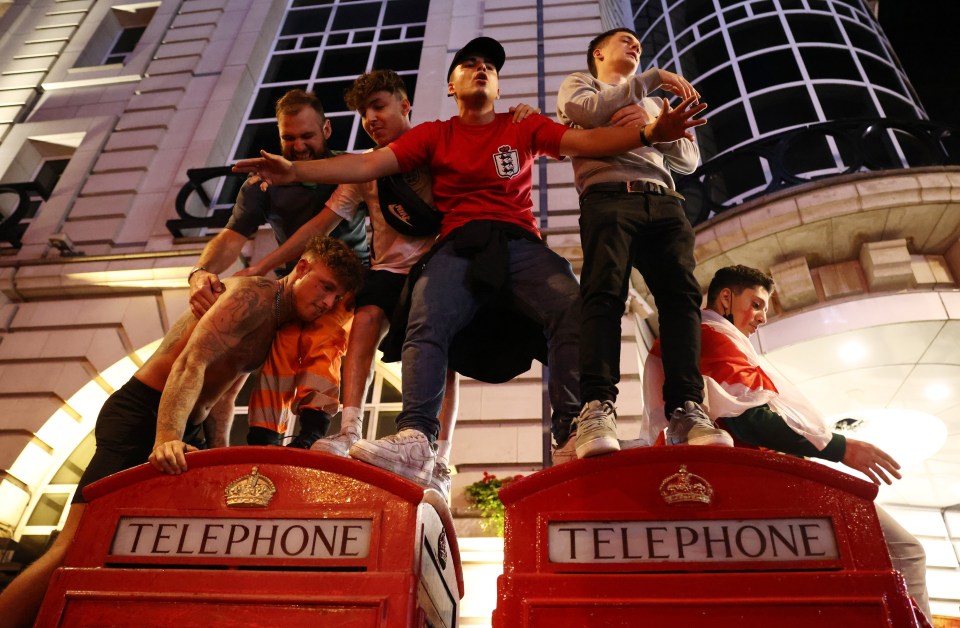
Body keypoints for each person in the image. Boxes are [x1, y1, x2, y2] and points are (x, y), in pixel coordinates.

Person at [234, 36, 707, 486]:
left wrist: (647, 132)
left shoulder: (521, 125)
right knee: (425, 316)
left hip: (519, 240)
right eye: (469, 65)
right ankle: (418, 437)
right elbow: (364, 165)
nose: (481, 69)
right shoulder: (435, 135)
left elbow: (586, 143)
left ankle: (569, 432)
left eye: (489, 68)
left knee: (571, 305)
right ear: (451, 86)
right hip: (458, 243)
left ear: (498, 87)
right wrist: (295, 170)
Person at [0, 236, 364, 628]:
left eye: (337, 295)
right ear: (303, 269)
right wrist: (165, 437)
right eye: (326, 287)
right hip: (144, 413)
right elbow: (191, 363)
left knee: (163, 553)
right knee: (74, 545)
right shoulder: (254, 296)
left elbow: (225, 391)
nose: (328, 303)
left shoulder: (277, 320)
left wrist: (219, 454)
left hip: (186, 425)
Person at [643, 264, 931, 623]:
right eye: (757, 304)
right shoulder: (713, 335)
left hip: (738, 481)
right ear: (726, 298)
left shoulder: (708, 338)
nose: (762, 316)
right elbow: (746, 417)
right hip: (754, 477)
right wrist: (840, 449)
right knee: (906, 551)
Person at [555, 27, 731, 463]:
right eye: (624, 41)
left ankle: (687, 409)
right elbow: (584, 110)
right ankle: (597, 407)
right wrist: (649, 81)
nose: (634, 45)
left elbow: (688, 160)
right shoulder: (584, 85)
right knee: (603, 294)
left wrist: (657, 128)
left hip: (664, 200)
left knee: (682, 300)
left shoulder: (652, 103)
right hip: (608, 196)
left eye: (638, 43)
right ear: (598, 52)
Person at [188, 89, 368, 449]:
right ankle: (261, 438)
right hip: (296, 284)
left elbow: (318, 228)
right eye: (289, 138)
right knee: (279, 348)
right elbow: (232, 236)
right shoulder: (262, 183)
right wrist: (201, 271)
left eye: (307, 136)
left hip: (350, 284)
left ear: (327, 130)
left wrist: (260, 267)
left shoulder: (348, 169)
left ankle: (310, 434)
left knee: (322, 341)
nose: (298, 146)